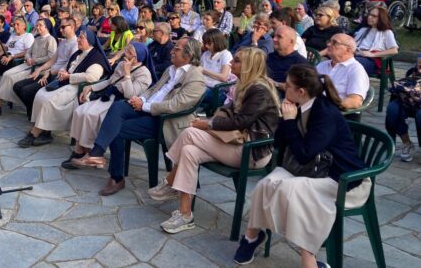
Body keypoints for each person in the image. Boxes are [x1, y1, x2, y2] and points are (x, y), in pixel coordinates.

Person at [234, 64, 370, 268]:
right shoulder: (299, 105)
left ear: (301, 91)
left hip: (343, 179)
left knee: (292, 191)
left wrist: (289, 121)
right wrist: (284, 118)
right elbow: (279, 143)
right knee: (266, 183)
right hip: (311, 171)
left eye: (287, 86)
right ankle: (252, 237)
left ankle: (309, 261)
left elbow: (304, 154)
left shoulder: (324, 113)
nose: (283, 88)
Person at [149, 47, 279, 234]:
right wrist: (209, 122)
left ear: (248, 65)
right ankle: (185, 215)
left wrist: (208, 125)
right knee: (189, 151)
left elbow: (241, 121)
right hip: (236, 143)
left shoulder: (260, 90)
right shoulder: (246, 85)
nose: (231, 63)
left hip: (251, 152)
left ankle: (171, 181)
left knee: (190, 133)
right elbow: (229, 111)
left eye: (236, 60)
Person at [71, 38, 206, 196]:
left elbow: (176, 105)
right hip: (149, 110)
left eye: (176, 49)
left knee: (117, 129)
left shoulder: (196, 78)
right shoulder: (171, 69)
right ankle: (97, 153)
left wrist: (145, 106)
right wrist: (141, 99)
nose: (171, 51)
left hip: (166, 121)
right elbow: (154, 89)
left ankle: (115, 177)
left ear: (188, 55)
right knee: (118, 107)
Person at [64, 42, 155, 168]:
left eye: (130, 53)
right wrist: (92, 87)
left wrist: (127, 74)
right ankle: (82, 149)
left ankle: (85, 152)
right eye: (126, 51)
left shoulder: (144, 74)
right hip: (108, 96)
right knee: (80, 111)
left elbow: (130, 94)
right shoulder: (122, 64)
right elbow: (110, 81)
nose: (126, 54)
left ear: (138, 57)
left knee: (90, 115)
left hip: (120, 102)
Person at [19, 30, 110, 147]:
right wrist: (62, 71)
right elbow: (68, 65)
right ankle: (45, 132)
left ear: (90, 41)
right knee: (40, 95)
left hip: (78, 87)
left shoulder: (96, 58)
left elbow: (92, 77)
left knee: (48, 101)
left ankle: (34, 133)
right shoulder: (79, 52)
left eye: (81, 38)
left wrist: (69, 76)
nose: (78, 40)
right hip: (66, 82)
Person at [0, 19, 57, 113]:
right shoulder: (37, 39)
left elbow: (50, 57)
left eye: (40, 25)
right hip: (28, 64)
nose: (37, 27)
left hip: (39, 68)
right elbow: (28, 52)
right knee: (6, 74)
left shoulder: (50, 40)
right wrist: (28, 58)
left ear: (47, 27)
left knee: (11, 78)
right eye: (37, 25)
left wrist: (34, 60)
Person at [316, 34, 370, 110]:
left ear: (348, 50)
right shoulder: (322, 65)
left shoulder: (356, 70)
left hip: (334, 113)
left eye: (334, 43)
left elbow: (355, 101)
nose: (328, 44)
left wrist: (330, 105)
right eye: (329, 41)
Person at [385, 55, 421, 162]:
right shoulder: (413, 71)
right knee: (393, 110)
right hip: (410, 98)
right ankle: (406, 143)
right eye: (419, 64)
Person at [352, 6, 399, 75]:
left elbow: (394, 50)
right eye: (369, 15)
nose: (369, 17)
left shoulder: (387, 32)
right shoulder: (363, 30)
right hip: (358, 55)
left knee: (350, 63)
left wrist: (372, 54)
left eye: (374, 16)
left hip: (372, 61)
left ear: (381, 18)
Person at [200, 29, 233, 109]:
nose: (206, 46)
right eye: (205, 43)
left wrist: (204, 71)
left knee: (192, 92)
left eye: (209, 43)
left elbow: (224, 77)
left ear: (217, 42)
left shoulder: (226, 54)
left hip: (217, 90)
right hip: (203, 85)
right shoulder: (206, 54)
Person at [267, 26, 307, 93]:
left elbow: (298, 89)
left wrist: (275, 84)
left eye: (279, 37)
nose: (274, 39)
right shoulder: (270, 57)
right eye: (274, 36)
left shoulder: (300, 63)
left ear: (291, 41)